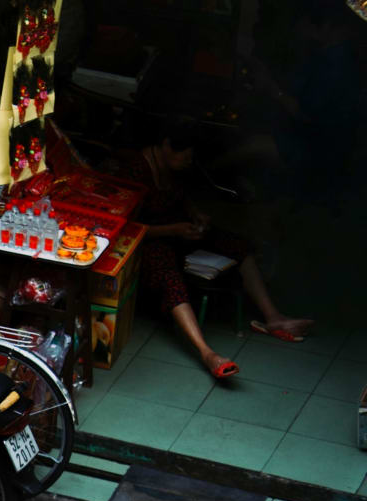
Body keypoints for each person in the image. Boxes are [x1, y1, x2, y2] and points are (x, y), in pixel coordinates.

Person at [120, 122, 314, 382]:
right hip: (150, 240)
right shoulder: (136, 169)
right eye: (184, 154)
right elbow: (128, 228)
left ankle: (273, 318)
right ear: (165, 145)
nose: (188, 160)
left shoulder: (175, 167)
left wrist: (195, 215)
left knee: (237, 245)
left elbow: (181, 198)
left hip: (179, 230)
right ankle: (207, 353)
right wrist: (172, 230)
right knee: (170, 280)